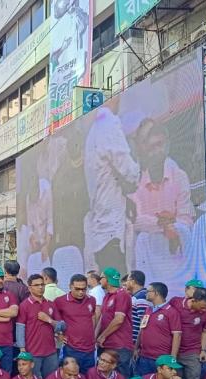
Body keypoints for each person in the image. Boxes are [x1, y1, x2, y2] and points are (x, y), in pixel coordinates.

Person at [128, 118, 195, 293]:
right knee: (140, 238)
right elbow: (137, 220)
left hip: (176, 253)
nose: (157, 151)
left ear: (167, 146)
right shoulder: (138, 181)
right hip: (150, 255)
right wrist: (161, 223)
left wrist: (172, 225)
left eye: (160, 145)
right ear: (145, 151)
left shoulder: (179, 176)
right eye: (152, 147)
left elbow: (186, 219)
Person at [82, 107, 140, 272]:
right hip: (111, 230)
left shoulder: (93, 131)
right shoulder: (107, 121)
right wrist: (138, 167)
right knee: (118, 285)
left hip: (103, 229)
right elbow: (130, 172)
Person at [169, 282, 206, 379]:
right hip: (174, 353)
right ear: (194, 300)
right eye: (203, 306)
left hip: (192, 353)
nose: (205, 310)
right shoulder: (175, 303)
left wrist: (204, 350)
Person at [54, 274, 98, 373]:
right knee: (71, 377)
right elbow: (54, 321)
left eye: (84, 289)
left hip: (90, 349)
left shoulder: (92, 300)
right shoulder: (60, 301)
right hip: (71, 348)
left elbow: (92, 317)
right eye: (77, 289)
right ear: (70, 286)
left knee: (89, 378)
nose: (81, 292)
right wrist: (58, 335)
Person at [135, 283, 181, 377]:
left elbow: (177, 335)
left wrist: (172, 358)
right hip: (144, 357)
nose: (145, 294)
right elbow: (142, 329)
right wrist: (136, 348)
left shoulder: (171, 311)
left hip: (161, 359)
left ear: (156, 293)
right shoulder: (148, 309)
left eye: (148, 291)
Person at [19, 274, 61, 378]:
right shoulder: (24, 305)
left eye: (42, 284)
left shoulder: (51, 304)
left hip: (51, 352)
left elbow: (62, 326)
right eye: (37, 285)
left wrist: (49, 320)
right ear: (29, 288)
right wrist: (22, 349)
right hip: (32, 352)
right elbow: (20, 328)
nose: (40, 287)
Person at [96, 267, 134, 378]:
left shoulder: (122, 295)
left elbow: (119, 320)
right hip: (106, 345)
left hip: (120, 346)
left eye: (101, 277)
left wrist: (102, 336)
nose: (99, 280)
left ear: (107, 279)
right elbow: (102, 318)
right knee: (104, 378)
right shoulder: (106, 296)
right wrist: (96, 337)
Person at [3, 261, 30, 350]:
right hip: (17, 327)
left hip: (0, 328)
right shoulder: (23, 288)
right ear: (18, 272)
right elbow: (26, 309)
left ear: (5, 271)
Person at [126, 271, 151, 345]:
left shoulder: (141, 297)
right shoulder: (136, 296)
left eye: (127, 280)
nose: (125, 283)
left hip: (135, 343)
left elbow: (143, 324)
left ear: (132, 282)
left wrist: (137, 345)